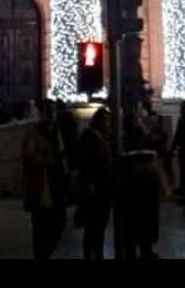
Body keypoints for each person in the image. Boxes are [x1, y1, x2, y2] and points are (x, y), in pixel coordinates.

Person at [22, 100, 67, 260]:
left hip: (56, 183)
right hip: (41, 186)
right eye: (48, 111)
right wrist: (46, 159)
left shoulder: (56, 130)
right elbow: (28, 156)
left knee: (59, 222)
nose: (52, 115)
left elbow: (61, 151)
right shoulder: (34, 133)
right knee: (41, 227)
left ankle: (45, 251)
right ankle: (42, 254)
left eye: (53, 111)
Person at [77, 108, 114, 260]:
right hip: (96, 188)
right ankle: (92, 253)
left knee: (98, 226)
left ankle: (96, 252)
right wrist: (90, 183)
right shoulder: (91, 136)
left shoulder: (99, 137)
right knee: (94, 225)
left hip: (101, 186)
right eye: (106, 120)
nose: (108, 124)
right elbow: (88, 163)